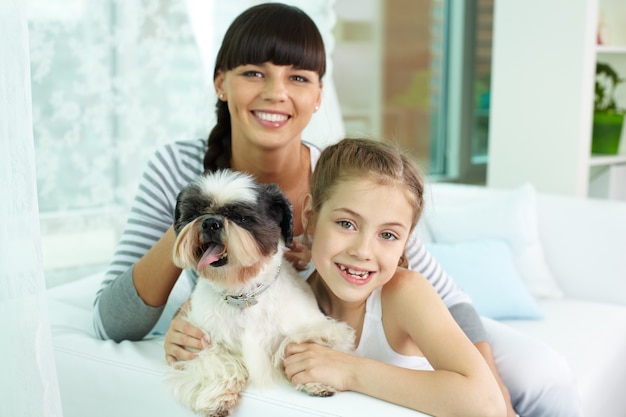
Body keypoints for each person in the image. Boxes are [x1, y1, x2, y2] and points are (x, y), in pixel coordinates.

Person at [93, 3, 582, 417]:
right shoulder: (179, 166)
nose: (275, 93)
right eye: (253, 73)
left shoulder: (338, 174)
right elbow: (113, 321)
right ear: (221, 83)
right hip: (293, 325)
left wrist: (492, 389)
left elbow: (439, 290)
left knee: (540, 373)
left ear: (318, 95)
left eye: (297, 77)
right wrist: (199, 221)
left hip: (387, 318)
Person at [283, 137, 505, 416]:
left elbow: (488, 405)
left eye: (388, 235)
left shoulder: (403, 294)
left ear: (406, 242)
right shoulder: (292, 298)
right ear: (310, 215)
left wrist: (349, 371)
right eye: (346, 224)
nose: (363, 251)